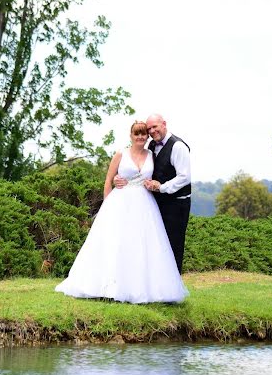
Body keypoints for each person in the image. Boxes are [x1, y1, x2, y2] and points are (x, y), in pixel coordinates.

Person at [55, 121, 188, 304]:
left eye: (143, 134)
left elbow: (156, 176)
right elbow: (108, 181)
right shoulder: (121, 154)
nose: (140, 137)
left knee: (141, 245)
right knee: (116, 242)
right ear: (131, 135)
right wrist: (107, 206)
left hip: (145, 205)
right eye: (137, 134)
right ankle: (109, 285)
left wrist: (152, 184)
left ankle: (141, 287)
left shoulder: (151, 154)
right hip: (120, 202)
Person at [115, 114, 191, 273]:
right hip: (154, 203)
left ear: (164, 124)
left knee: (173, 244)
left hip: (176, 203)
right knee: (155, 245)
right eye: (149, 128)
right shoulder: (150, 147)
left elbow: (184, 177)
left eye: (155, 126)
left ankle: (172, 287)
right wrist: (119, 178)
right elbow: (141, 171)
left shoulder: (178, 146)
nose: (152, 131)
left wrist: (161, 187)